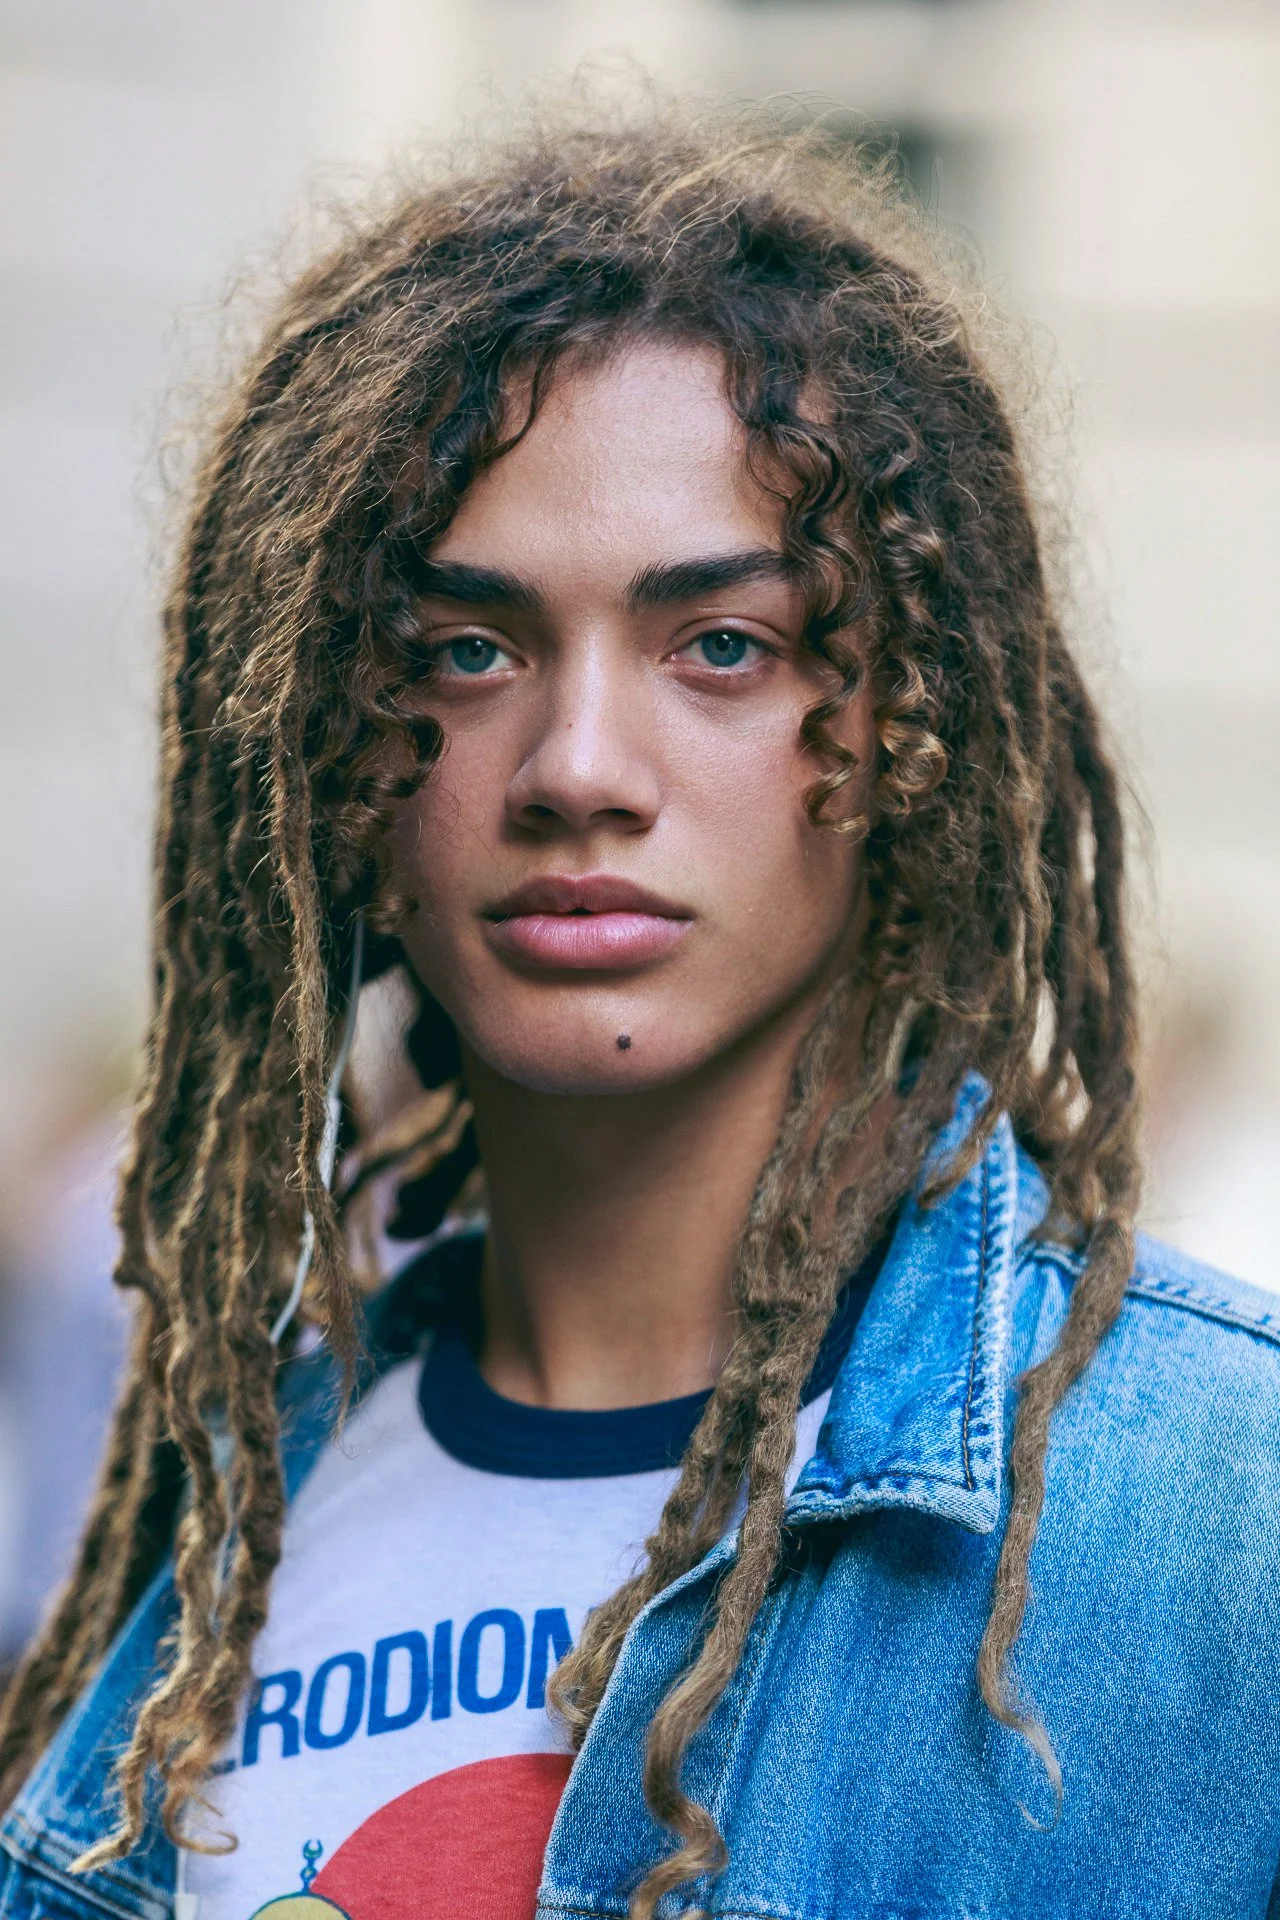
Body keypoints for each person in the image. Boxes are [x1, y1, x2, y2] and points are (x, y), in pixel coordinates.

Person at [1, 103, 1278, 1920]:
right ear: (334, 756)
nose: (578, 769)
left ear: (905, 732)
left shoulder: (1225, 1516)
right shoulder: (212, 1562)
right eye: (467, 649)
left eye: (722, 647)